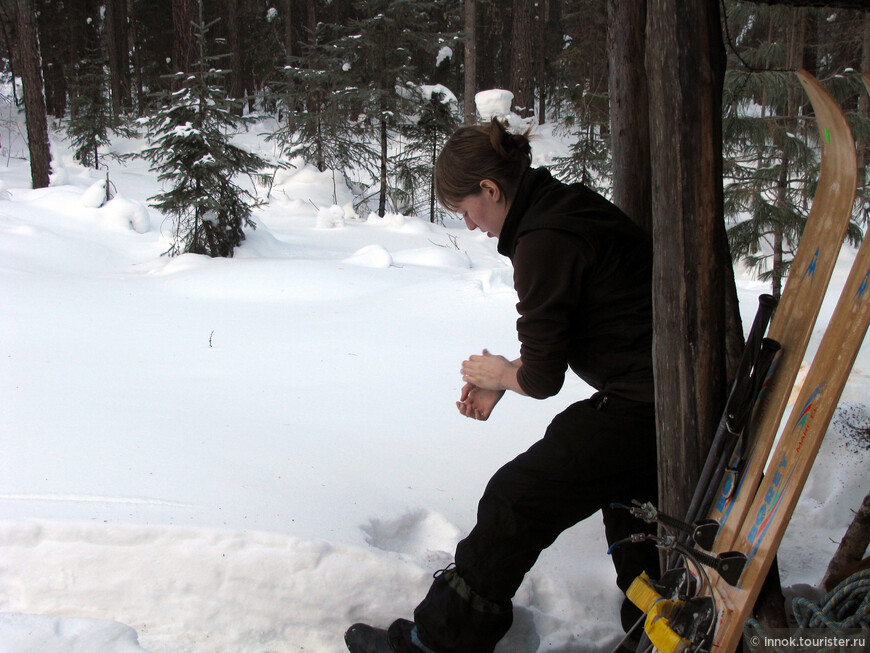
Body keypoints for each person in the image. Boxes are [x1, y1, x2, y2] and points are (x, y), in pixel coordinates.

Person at [346, 118, 660, 653]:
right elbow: (568, 335)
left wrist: (505, 376)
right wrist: (503, 377)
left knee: (514, 501)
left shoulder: (543, 240)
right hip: (658, 397)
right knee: (631, 507)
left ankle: (434, 644)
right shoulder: (562, 207)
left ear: (491, 190)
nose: (471, 226)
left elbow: (541, 379)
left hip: (646, 405)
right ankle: (658, 626)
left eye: (467, 211)